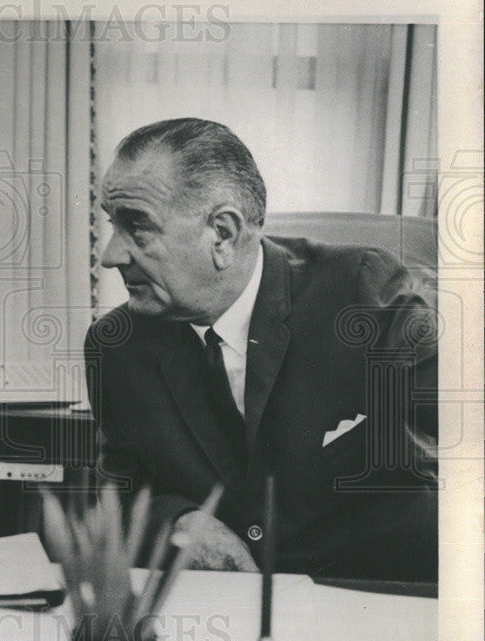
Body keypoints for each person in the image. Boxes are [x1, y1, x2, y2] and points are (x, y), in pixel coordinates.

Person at [85, 118, 437, 582]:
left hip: (364, 600)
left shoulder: (362, 295)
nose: (110, 255)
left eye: (137, 228)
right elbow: (121, 494)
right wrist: (181, 523)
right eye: (114, 225)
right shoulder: (118, 344)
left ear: (224, 235)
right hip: (222, 611)